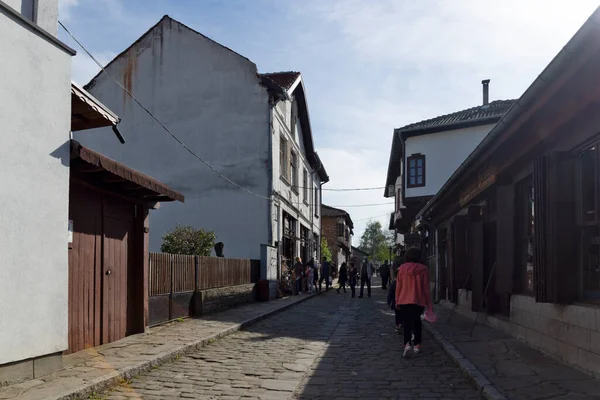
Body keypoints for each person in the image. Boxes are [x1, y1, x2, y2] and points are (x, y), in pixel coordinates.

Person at [396, 247, 433, 357]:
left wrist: (397, 300)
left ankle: (407, 344)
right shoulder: (424, 269)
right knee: (417, 322)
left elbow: (399, 286)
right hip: (418, 299)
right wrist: (429, 303)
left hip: (404, 300)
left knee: (406, 323)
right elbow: (426, 288)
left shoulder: (402, 269)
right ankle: (417, 345)